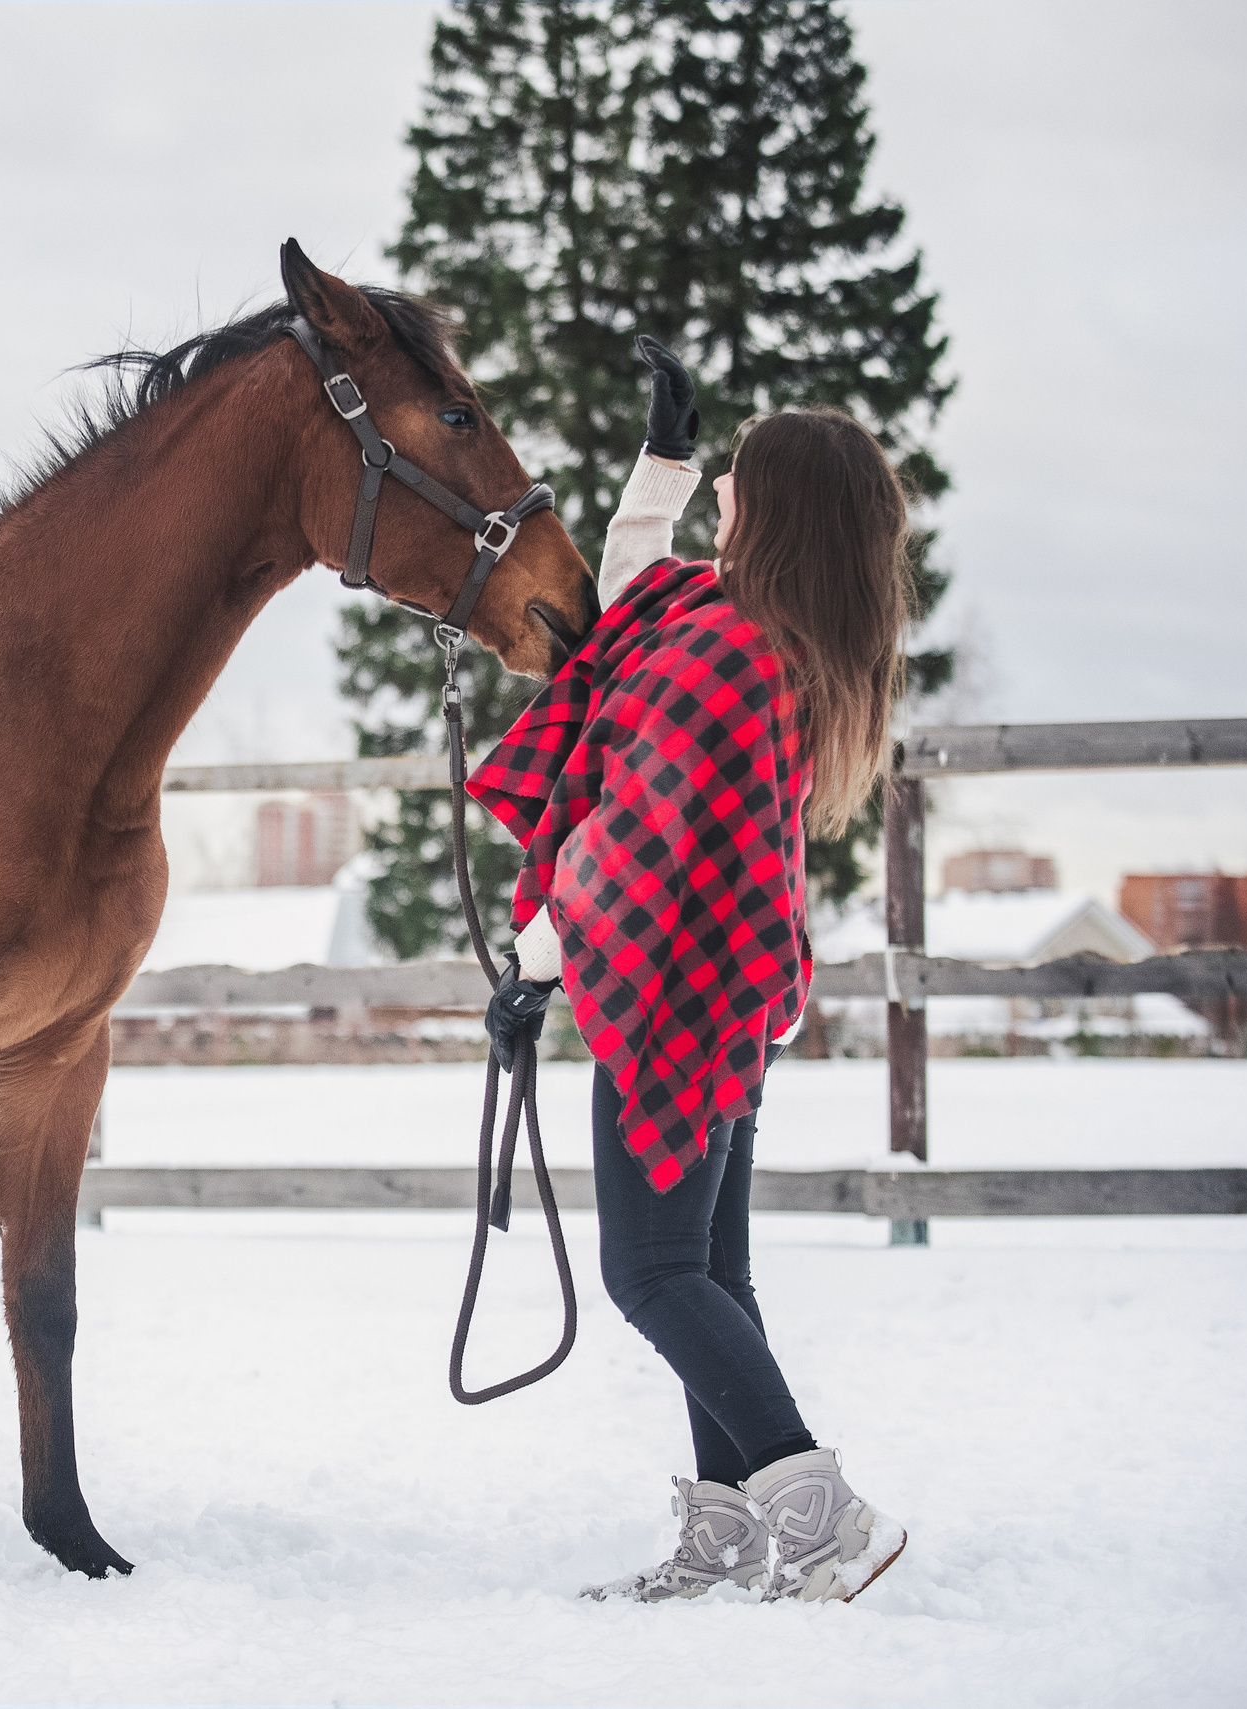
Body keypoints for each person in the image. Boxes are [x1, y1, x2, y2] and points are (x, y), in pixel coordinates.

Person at [468, 338, 910, 1605]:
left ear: (771, 513)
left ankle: (821, 1517)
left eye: (733, 478)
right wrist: (659, 457)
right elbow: (626, 594)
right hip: (731, 984)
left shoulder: (726, 651)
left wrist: (539, 962)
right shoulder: (745, 628)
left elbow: (625, 837)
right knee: (708, 1269)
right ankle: (727, 1536)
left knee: (650, 1270)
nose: (721, 490)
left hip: (673, 993)